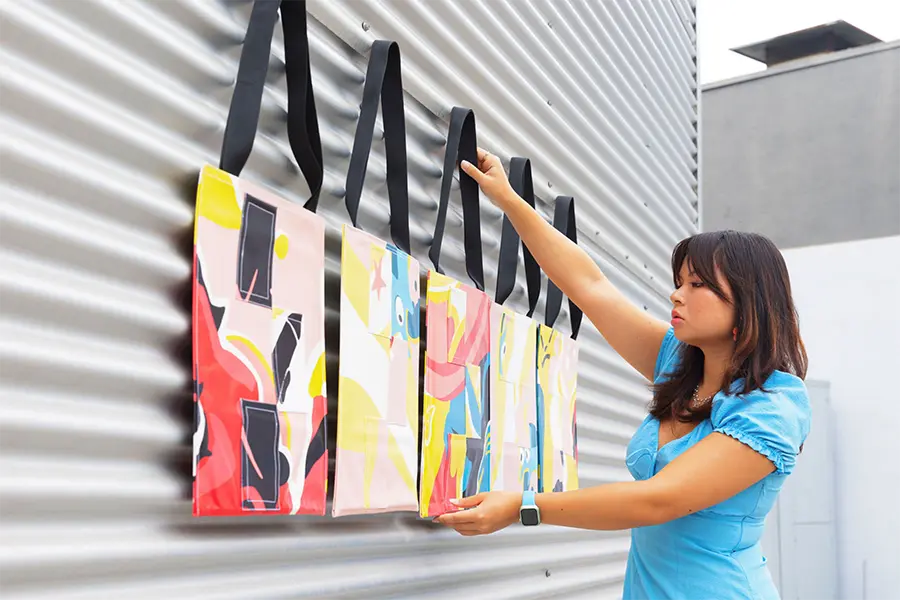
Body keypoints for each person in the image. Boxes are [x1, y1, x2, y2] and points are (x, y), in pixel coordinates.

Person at [435, 149, 811, 600]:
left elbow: (658, 499)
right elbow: (590, 287)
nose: (676, 295)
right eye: (679, 281)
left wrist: (523, 507)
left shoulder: (772, 409)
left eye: (697, 285)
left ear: (747, 306)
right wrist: (510, 201)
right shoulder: (680, 361)